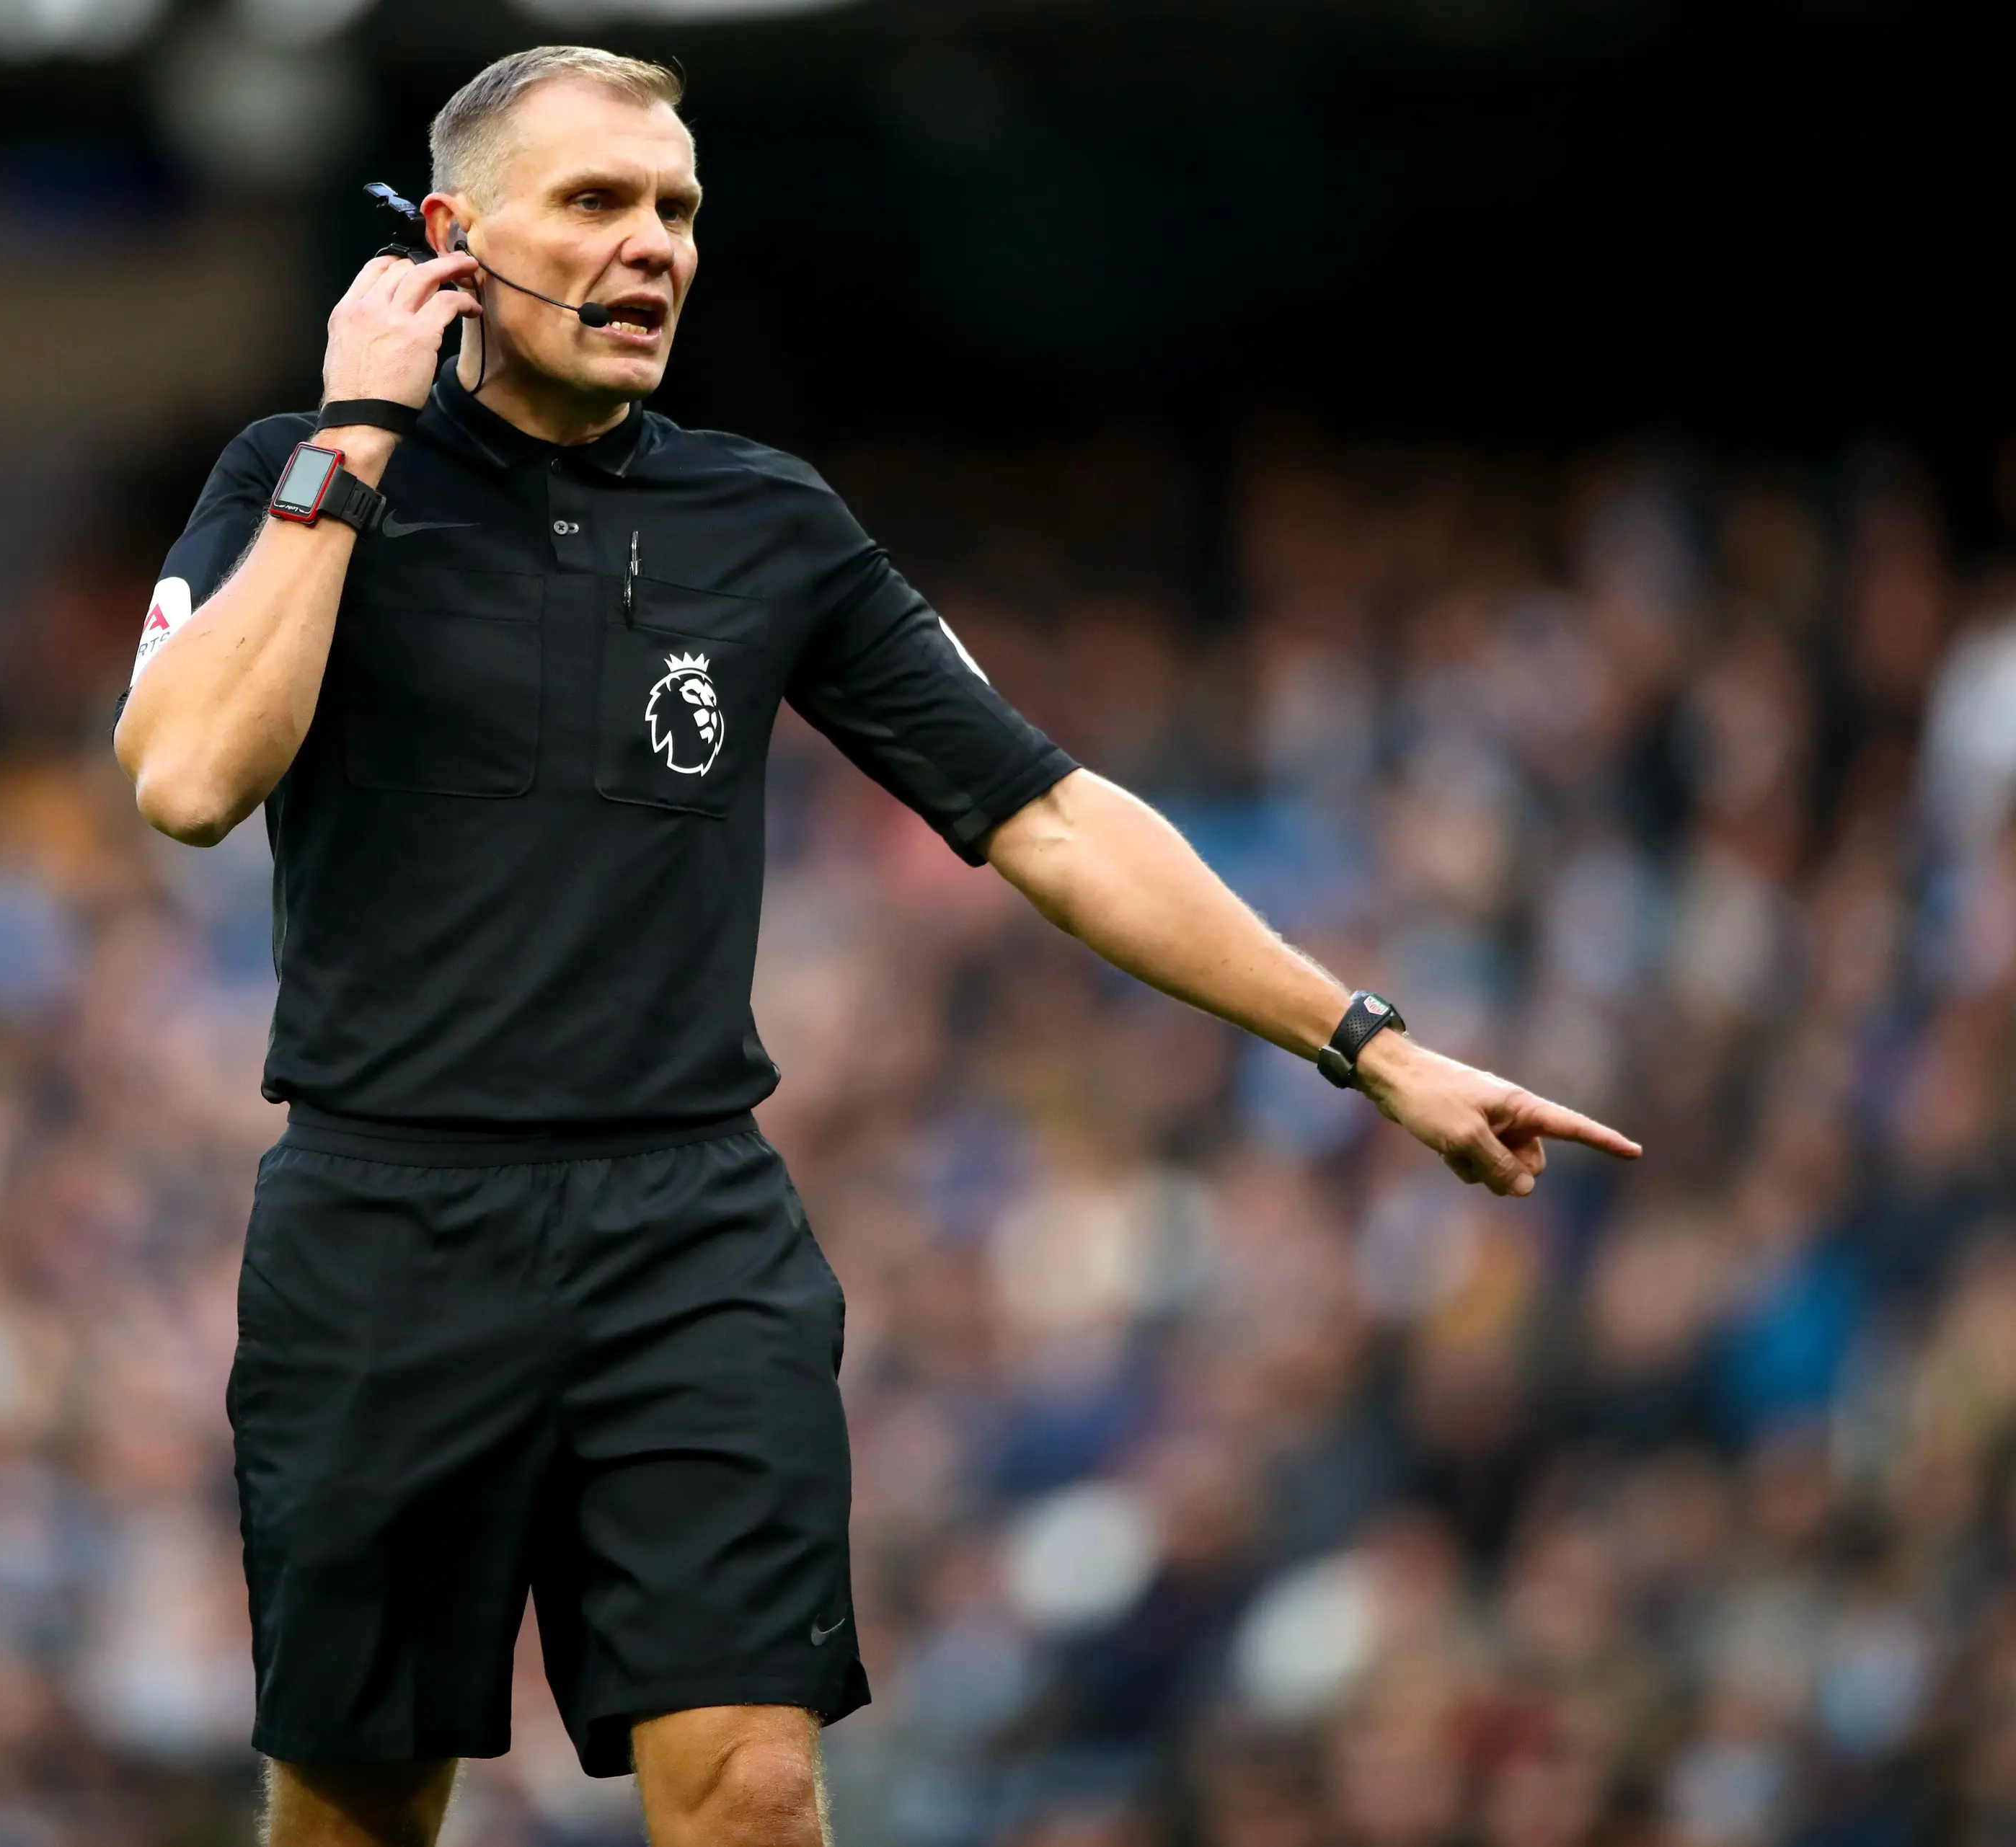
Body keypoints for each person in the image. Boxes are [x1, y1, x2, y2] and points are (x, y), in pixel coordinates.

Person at [111, 45, 1640, 1847]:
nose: (654, 246)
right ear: (452, 238)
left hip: (685, 1232)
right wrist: (356, 441)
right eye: (598, 202)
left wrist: (1373, 1045)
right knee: (360, 1805)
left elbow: (1051, 817)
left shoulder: (766, 522)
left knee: (756, 1782)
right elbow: (192, 777)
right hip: (383, 1233)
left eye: (677, 208)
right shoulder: (296, 475)